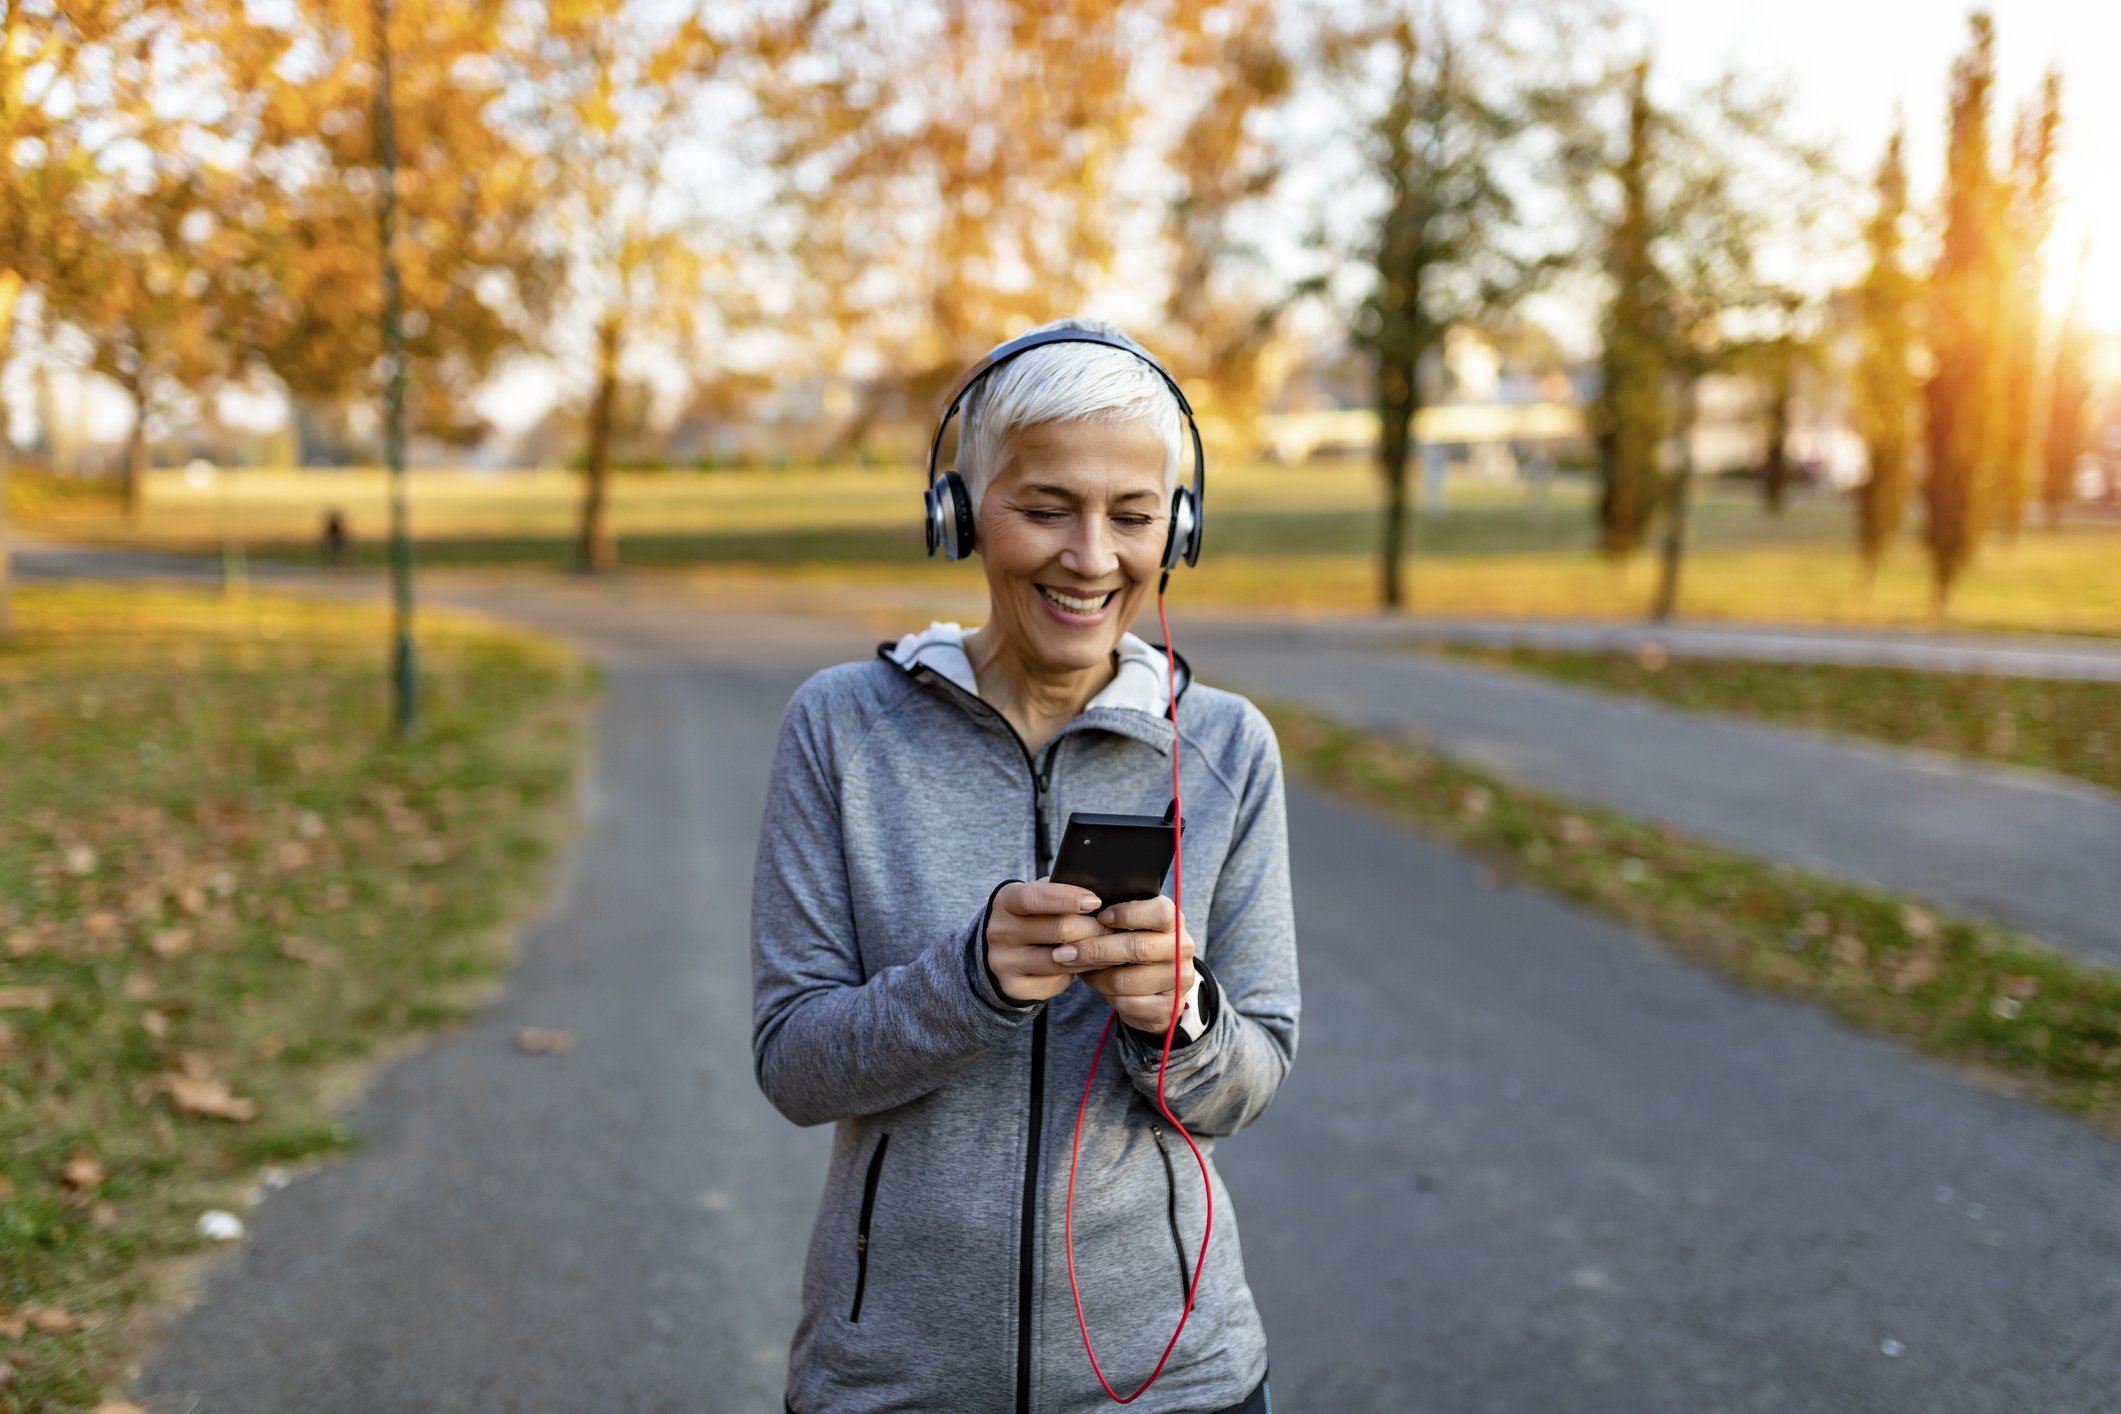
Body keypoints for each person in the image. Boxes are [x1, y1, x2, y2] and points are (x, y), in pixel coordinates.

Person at [751, 316, 1299, 1413]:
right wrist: (972, 983)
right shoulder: (842, 729)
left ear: (1178, 531)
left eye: (1132, 516)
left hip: (1175, 1379)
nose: (1092, 557)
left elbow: (1251, 1079)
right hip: (895, 1380)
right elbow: (794, 1063)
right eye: (1045, 508)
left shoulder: (1228, 747)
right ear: (957, 514)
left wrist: (1180, 1019)